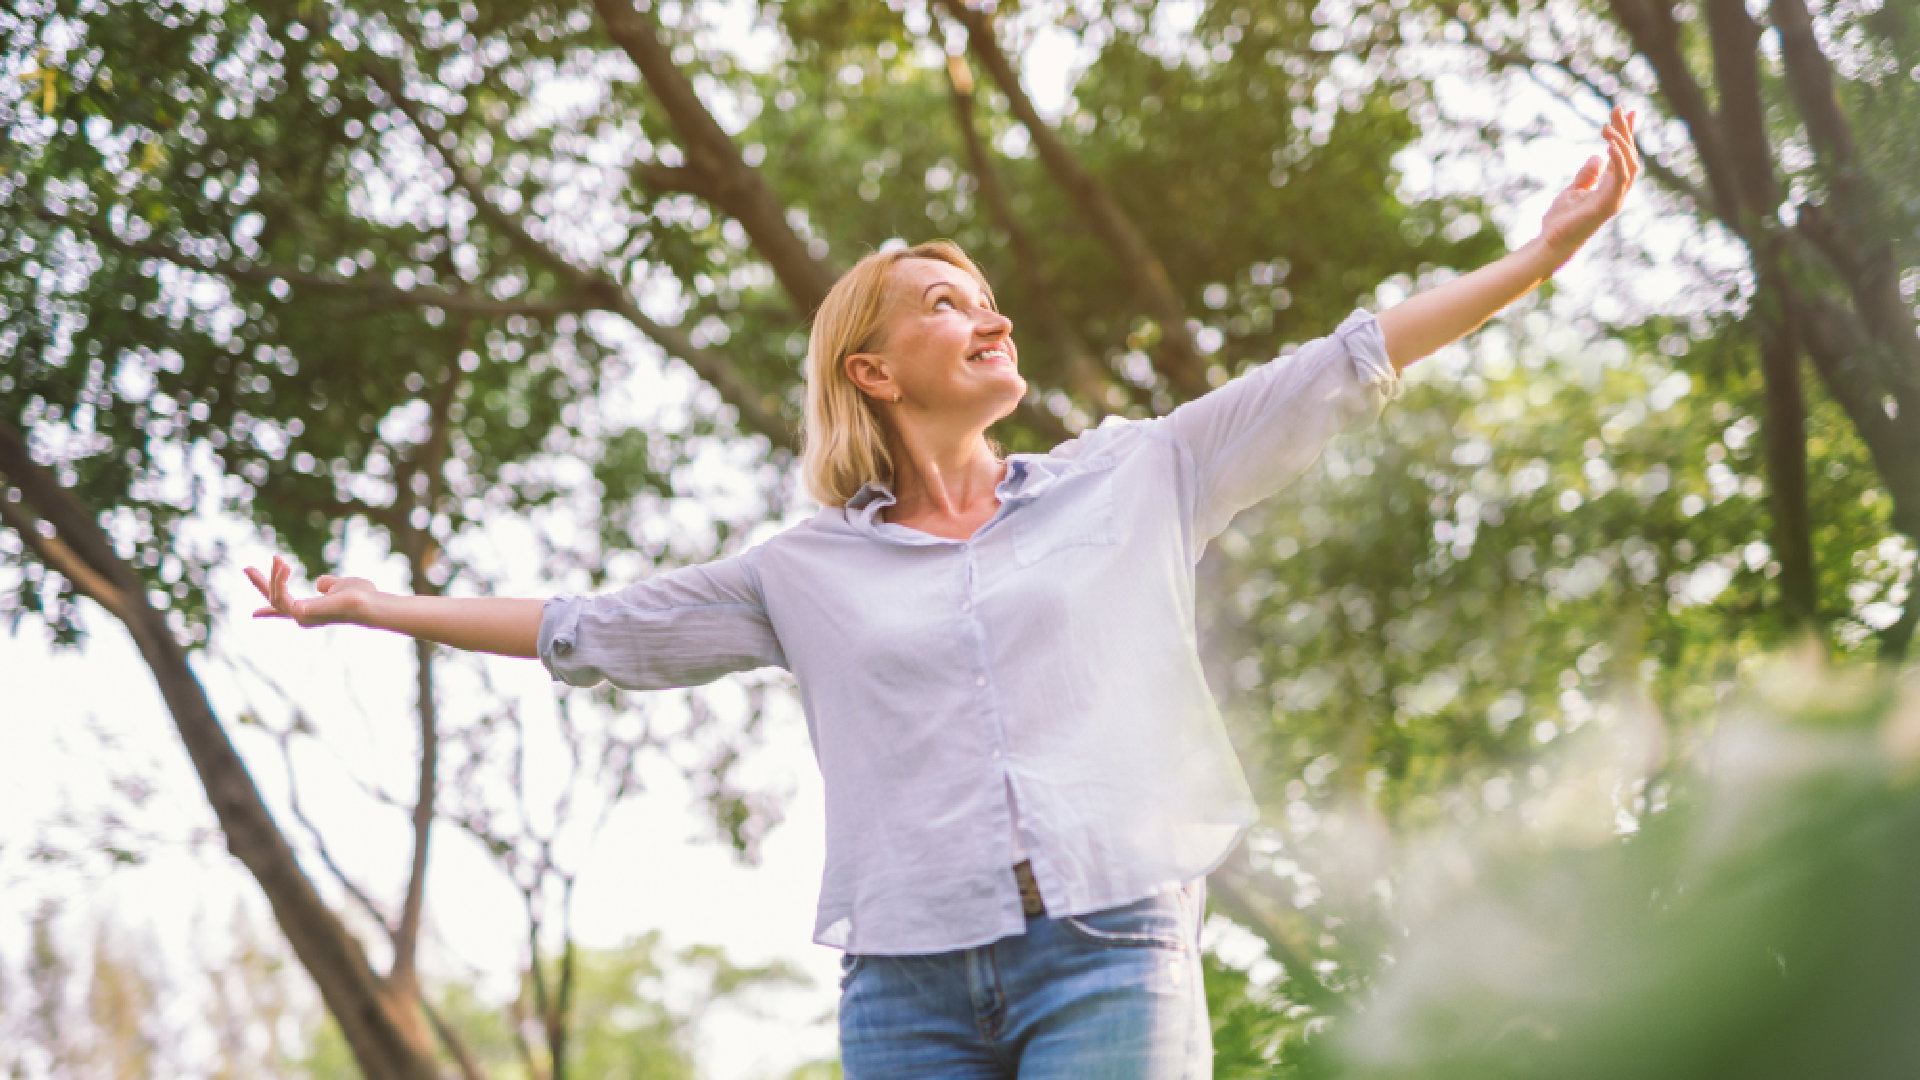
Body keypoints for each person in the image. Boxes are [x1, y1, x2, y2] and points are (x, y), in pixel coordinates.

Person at [247, 107, 1639, 1079]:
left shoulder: (1134, 474)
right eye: (945, 303)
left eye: (985, 298)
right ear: (873, 371)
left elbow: (1345, 362)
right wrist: (374, 607)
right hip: (904, 984)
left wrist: (1540, 256)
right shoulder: (802, 572)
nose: (990, 316)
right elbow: (591, 631)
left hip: (1111, 944)